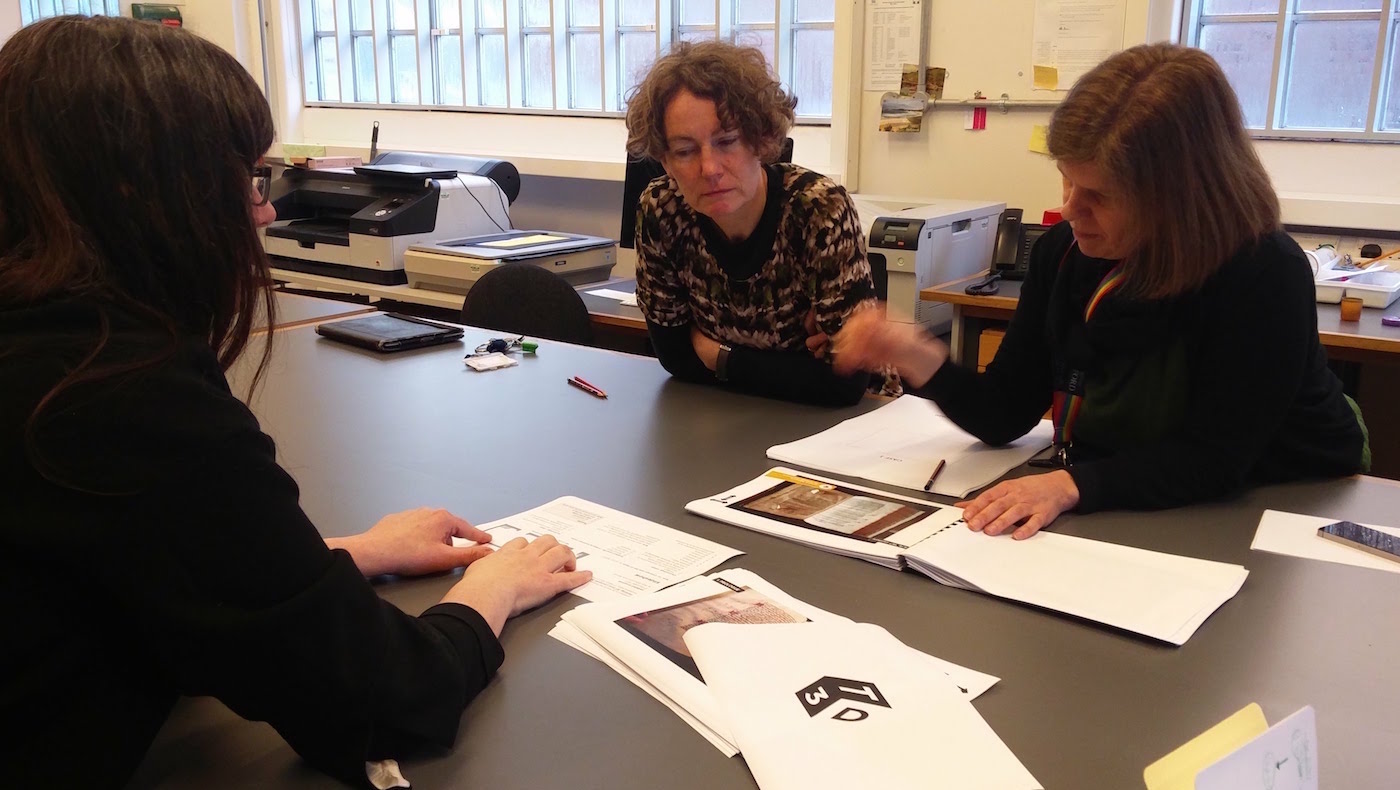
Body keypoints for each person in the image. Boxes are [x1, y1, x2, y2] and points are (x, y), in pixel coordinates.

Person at [0, 17, 589, 788]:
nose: (266, 213)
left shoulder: (37, 346)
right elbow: (382, 699)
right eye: (245, 182)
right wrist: (493, 589)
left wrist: (344, 554)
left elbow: (130, 571)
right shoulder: (118, 394)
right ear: (146, 193)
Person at [833, 43, 1367, 539]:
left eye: (1100, 195)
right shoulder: (1066, 254)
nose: (1069, 208)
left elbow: (1215, 457)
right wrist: (916, 355)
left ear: (1182, 198)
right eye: (1067, 179)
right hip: (1148, 485)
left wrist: (1073, 485)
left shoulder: (1262, 272)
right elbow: (1005, 414)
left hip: (1290, 496)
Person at [626, 40, 878, 406]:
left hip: (851, 427)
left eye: (727, 141)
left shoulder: (818, 210)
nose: (709, 168)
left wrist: (717, 355)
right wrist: (794, 368)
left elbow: (845, 384)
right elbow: (676, 359)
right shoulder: (662, 211)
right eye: (684, 151)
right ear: (664, 160)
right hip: (726, 415)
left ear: (761, 139)